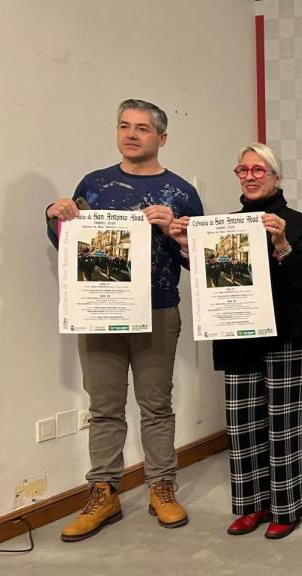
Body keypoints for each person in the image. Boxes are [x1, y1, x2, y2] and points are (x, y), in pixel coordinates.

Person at [45, 99, 203, 542]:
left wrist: (176, 232)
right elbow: (68, 243)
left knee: (156, 405)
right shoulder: (93, 184)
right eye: (124, 126)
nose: (132, 134)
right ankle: (103, 492)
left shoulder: (180, 192)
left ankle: (162, 487)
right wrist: (55, 217)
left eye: (142, 128)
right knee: (104, 408)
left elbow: (202, 259)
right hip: (99, 310)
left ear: (162, 138)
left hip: (157, 308)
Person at [169, 143, 302, 540]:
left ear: (276, 177)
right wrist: (186, 246)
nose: (250, 177)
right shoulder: (225, 226)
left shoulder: (295, 222)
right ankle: (252, 505)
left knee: (285, 425)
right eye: (243, 170)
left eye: (259, 170)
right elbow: (210, 278)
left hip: (284, 334)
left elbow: (301, 280)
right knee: (242, 426)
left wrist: (282, 245)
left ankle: (286, 507)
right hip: (237, 335)